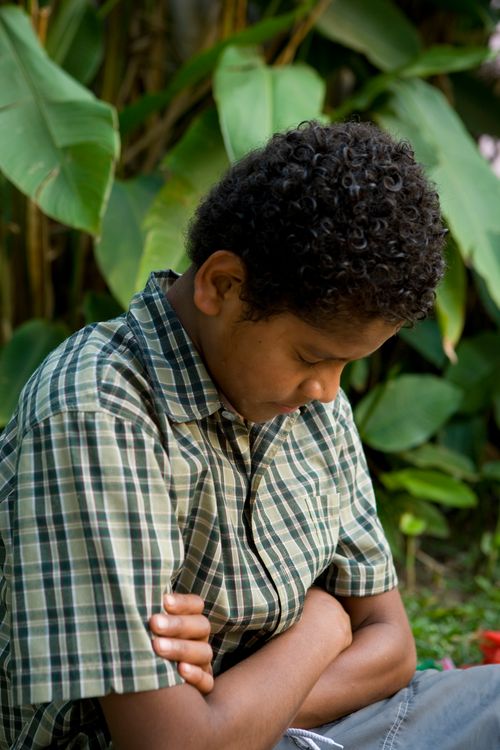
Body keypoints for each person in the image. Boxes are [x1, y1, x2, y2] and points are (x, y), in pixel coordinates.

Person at [0, 121, 498, 750]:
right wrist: (322, 623)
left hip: (309, 726)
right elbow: (171, 743)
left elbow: (392, 646)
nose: (329, 391)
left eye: (347, 365)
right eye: (313, 357)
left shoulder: (306, 400)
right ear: (223, 285)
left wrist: (237, 702)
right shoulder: (99, 411)